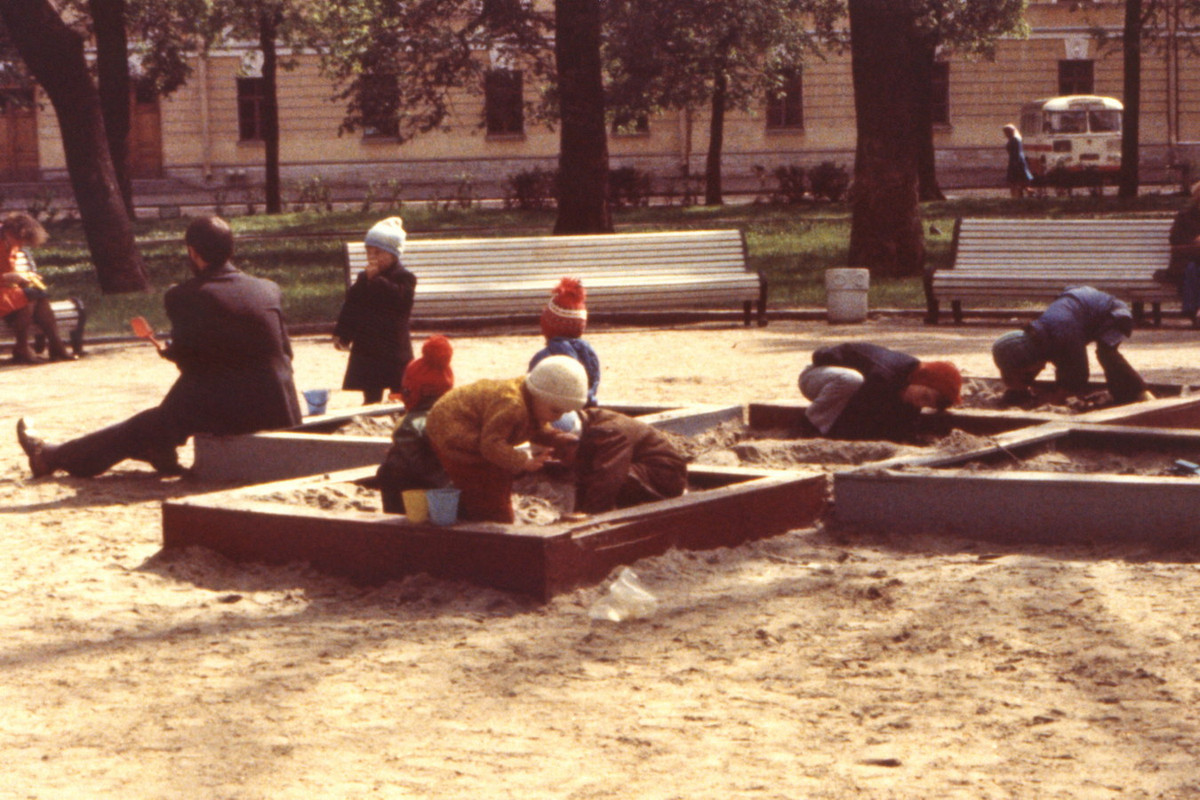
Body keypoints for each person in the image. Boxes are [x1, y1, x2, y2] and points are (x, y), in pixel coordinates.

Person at [16, 215, 303, 478]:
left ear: (193, 252)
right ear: (231, 250)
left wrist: (172, 351)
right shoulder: (267, 288)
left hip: (234, 411)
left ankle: (53, 456)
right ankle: (153, 446)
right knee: (169, 413)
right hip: (279, 408)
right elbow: (282, 352)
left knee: (150, 423)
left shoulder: (185, 295)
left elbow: (191, 364)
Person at [424, 354, 589, 523]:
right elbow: (490, 445)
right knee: (483, 480)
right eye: (555, 411)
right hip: (449, 429)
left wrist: (557, 438)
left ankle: (482, 510)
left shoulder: (530, 397)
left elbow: (531, 428)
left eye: (564, 412)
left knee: (499, 472)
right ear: (536, 394)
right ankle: (489, 520)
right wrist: (523, 461)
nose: (558, 417)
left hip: (478, 428)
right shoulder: (512, 405)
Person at [992, 285, 1155, 407]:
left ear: (1031, 356)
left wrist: (1055, 399)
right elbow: (1029, 366)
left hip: (1115, 315)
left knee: (1106, 354)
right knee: (1054, 362)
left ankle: (1139, 393)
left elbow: (1078, 376)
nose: (1042, 368)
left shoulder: (1064, 335)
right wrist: (1017, 387)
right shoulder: (1041, 337)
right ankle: (1019, 390)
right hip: (1081, 310)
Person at [798, 343, 962, 441]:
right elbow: (853, 417)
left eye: (927, 404)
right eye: (925, 396)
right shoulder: (883, 375)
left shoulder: (909, 386)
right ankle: (812, 424)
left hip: (842, 390)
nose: (920, 404)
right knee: (851, 379)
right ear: (919, 380)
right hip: (816, 375)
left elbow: (898, 429)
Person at [333, 216, 416, 404]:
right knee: (371, 389)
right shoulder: (364, 278)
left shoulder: (404, 277)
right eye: (368, 251)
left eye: (378, 252)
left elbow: (401, 301)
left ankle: (398, 411)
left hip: (393, 345)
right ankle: (371, 406)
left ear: (393, 254)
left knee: (399, 388)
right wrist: (343, 333)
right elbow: (352, 306)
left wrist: (377, 280)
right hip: (368, 345)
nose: (371, 257)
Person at [551, 407, 688, 515]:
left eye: (562, 453)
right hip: (636, 463)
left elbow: (607, 479)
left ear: (573, 442)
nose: (559, 459)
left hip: (665, 476)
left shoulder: (610, 433)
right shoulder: (585, 421)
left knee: (601, 475)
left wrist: (588, 516)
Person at [376, 334, 455, 514]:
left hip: (414, 488)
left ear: (411, 391)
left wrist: (445, 484)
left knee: (389, 471)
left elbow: (418, 464)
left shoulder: (410, 424)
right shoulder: (452, 414)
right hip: (443, 480)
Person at [0, 211, 74, 363]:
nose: (21, 245)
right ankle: (24, 347)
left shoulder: (11, 243)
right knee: (29, 297)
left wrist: (26, 277)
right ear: (10, 232)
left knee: (38, 295)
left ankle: (55, 343)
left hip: (5, 291)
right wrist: (7, 277)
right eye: (20, 240)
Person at [528, 277, 600, 409]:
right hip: (584, 410)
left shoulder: (544, 358)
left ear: (547, 325)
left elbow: (531, 394)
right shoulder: (590, 355)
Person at [1166, 180, 1200, 328]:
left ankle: (1195, 312)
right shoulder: (1185, 216)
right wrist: (1194, 240)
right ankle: (1194, 312)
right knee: (1192, 269)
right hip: (1186, 260)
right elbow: (1175, 240)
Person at [1003, 124, 1034, 199]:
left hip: (1016, 161)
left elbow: (1016, 152)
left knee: (1014, 181)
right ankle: (1022, 194)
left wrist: (1015, 163)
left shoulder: (1014, 140)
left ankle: (1015, 196)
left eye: (1006, 132)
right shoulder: (1015, 139)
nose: (1005, 134)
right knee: (1019, 181)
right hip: (1016, 161)